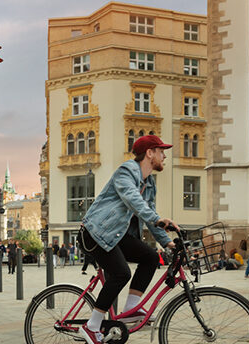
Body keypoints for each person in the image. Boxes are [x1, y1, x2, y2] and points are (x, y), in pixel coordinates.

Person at [78, 135, 178, 344]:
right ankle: (91, 326)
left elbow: (149, 215)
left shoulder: (149, 183)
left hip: (117, 235)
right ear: (149, 153)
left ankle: (131, 309)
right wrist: (158, 219)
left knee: (151, 257)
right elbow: (133, 199)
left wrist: (167, 242)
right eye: (161, 151)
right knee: (121, 273)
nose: (164, 156)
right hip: (96, 232)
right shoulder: (126, 171)